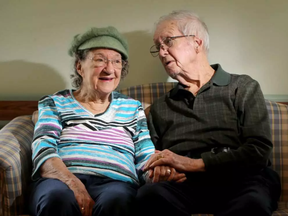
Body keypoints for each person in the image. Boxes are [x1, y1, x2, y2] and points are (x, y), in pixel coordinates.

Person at [137, 10, 281, 216]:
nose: (161, 52)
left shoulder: (242, 87)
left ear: (197, 43)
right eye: (158, 47)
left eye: (168, 41)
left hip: (242, 179)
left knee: (252, 204)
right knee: (149, 196)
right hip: (185, 186)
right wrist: (160, 171)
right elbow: (152, 159)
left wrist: (193, 163)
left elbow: (258, 150)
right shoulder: (161, 107)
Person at [29, 26, 161, 216]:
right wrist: (74, 184)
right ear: (79, 66)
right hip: (60, 181)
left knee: (118, 200)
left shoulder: (132, 108)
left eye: (116, 62)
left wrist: (157, 172)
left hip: (116, 184)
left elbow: (144, 155)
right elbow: (43, 149)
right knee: (57, 199)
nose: (109, 69)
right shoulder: (55, 103)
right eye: (100, 60)